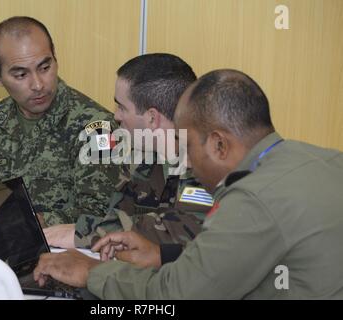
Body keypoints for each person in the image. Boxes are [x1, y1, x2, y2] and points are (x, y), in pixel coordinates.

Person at [33, 69, 343, 299]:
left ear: (219, 145)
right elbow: (235, 260)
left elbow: (176, 297)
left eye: (189, 145)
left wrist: (94, 273)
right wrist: (163, 255)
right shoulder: (328, 160)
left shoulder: (251, 197)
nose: (189, 162)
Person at [0, 16, 120, 226]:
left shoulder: (98, 128)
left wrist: (31, 220)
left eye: (44, 67)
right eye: (21, 74)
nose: (38, 84)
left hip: (64, 253)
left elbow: (100, 214)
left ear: (55, 59)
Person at [44, 54, 212, 260]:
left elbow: (183, 232)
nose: (116, 116)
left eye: (122, 107)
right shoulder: (140, 155)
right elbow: (119, 217)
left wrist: (85, 233)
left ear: (152, 117)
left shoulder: (208, 162)